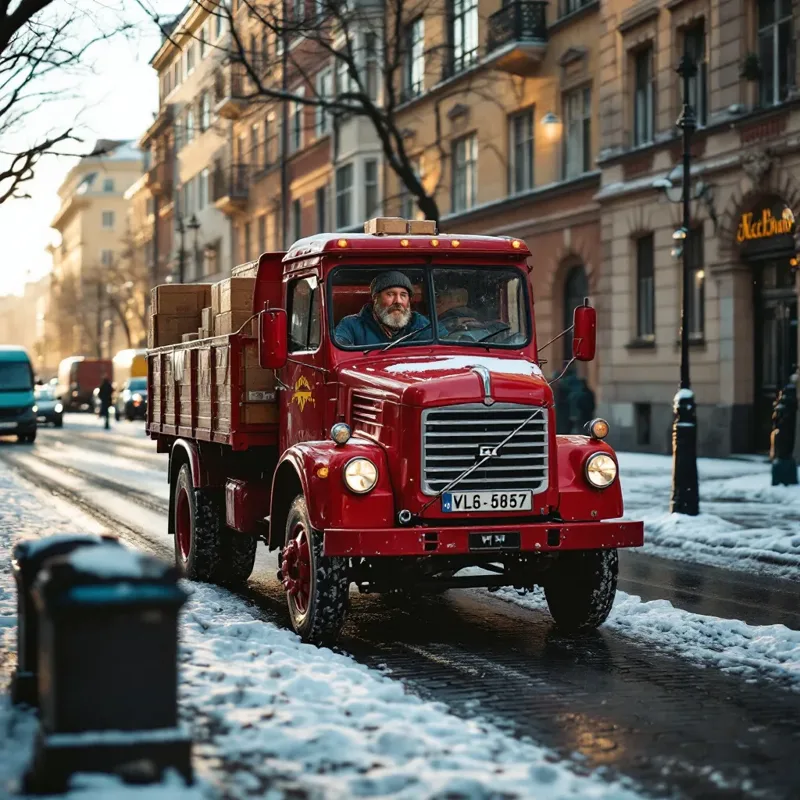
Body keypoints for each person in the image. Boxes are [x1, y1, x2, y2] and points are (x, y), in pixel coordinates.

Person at [334, 270, 430, 347]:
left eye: (403, 295)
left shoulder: (421, 324)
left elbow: (443, 344)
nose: (398, 301)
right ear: (375, 298)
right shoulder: (351, 326)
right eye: (390, 294)